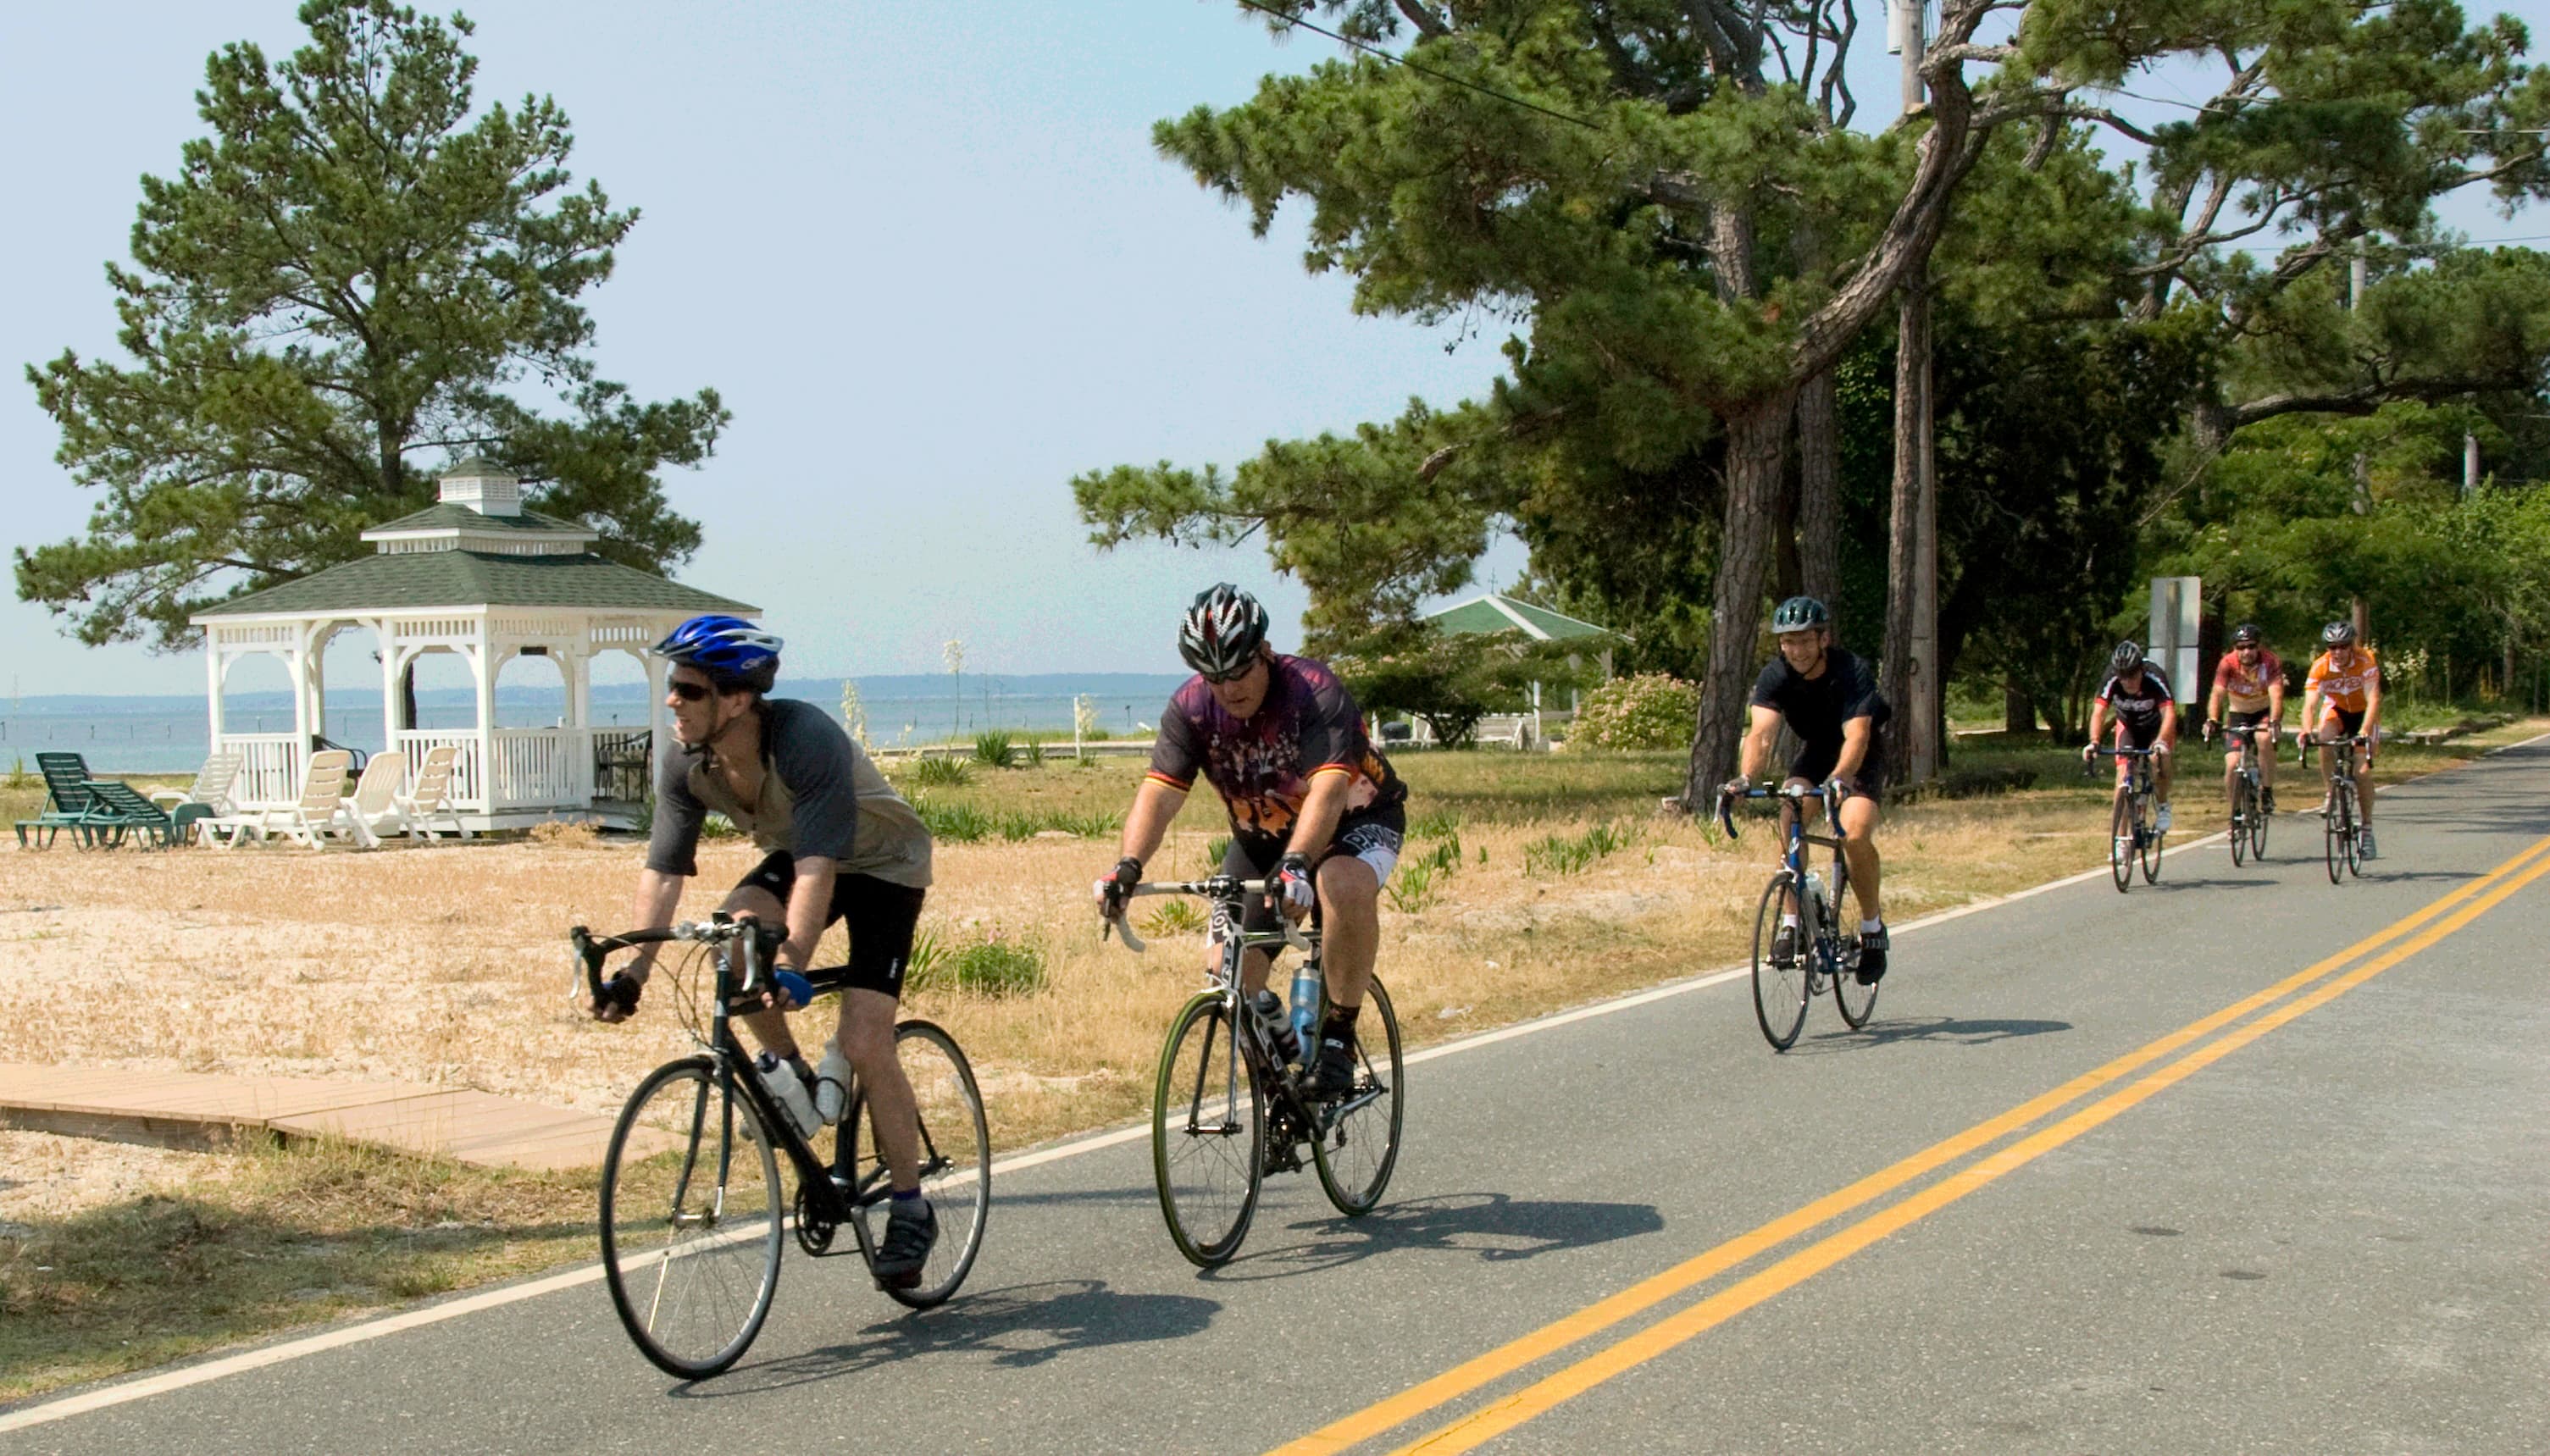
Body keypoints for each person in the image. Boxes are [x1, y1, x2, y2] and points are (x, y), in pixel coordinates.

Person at [583, 614, 941, 1287]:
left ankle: (909, 1204)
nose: (672, 701)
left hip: (885, 865)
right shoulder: (687, 761)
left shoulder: (803, 738)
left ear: (737, 698)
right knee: (731, 941)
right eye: (673, 687)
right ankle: (795, 1075)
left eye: (688, 690)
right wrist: (634, 969)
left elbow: (816, 867)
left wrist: (793, 961)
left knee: (866, 1039)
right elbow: (663, 871)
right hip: (808, 857)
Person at [1094, 584, 1407, 1098]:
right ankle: (1282, 1076)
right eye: (1213, 676)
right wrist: (1128, 866)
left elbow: (1327, 793)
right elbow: (1159, 795)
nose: (1228, 688)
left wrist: (1298, 863)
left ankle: (1337, 1039)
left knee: (1338, 882)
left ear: (1264, 651)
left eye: (1239, 671)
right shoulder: (1192, 708)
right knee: (1226, 970)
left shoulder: (1313, 691)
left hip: (1354, 821)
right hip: (1263, 838)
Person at [1721, 596, 1892, 982]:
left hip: (1858, 757)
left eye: (1804, 641)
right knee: (1790, 812)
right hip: (1815, 754)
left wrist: (1841, 780)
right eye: (1788, 642)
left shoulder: (1851, 671)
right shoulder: (1775, 676)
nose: (1795, 650)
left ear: (1823, 639)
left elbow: (1858, 735)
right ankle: (1792, 924)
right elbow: (1761, 735)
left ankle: (1871, 929)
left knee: (1853, 833)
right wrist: (1745, 778)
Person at [2302, 619, 2383, 860]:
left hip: (2363, 715)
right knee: (2324, 739)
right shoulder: (2320, 667)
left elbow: (2374, 700)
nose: (2337, 652)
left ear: (2352, 645)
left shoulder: (2366, 660)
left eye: (2343, 646)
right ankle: (2331, 792)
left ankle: (2367, 828)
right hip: (2337, 711)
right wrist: (2306, 731)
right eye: (2332, 647)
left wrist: (2365, 731)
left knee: (2362, 772)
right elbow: (2310, 705)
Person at [2084, 641, 2179, 833]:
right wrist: (2094, 742)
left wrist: (2161, 742)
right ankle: (2120, 840)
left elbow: (2169, 713)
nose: (2128, 681)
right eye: (2123, 676)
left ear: (2141, 669)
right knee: (2122, 780)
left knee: (2157, 758)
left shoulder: (2154, 676)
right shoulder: (2110, 678)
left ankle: (2162, 805)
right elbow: (2099, 713)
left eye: (2132, 675)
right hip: (2128, 726)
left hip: (2156, 728)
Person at [2203, 623, 2284, 816]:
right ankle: (2235, 813)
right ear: (2234, 648)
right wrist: (2213, 719)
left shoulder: (2270, 661)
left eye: (2251, 646)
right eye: (2241, 647)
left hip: (2263, 711)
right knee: (2232, 764)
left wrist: (2274, 721)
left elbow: (2277, 695)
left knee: (2264, 739)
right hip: (2238, 713)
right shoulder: (2227, 663)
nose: (2246, 652)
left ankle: (2267, 790)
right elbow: (2217, 694)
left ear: (2258, 646)